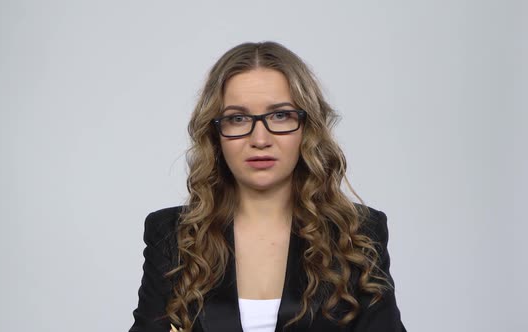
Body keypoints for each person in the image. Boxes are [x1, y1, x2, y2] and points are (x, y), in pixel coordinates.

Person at [128, 41, 406, 332]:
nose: (260, 139)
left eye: (280, 115)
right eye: (238, 118)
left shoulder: (357, 232)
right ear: (216, 132)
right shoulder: (172, 234)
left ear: (307, 127)